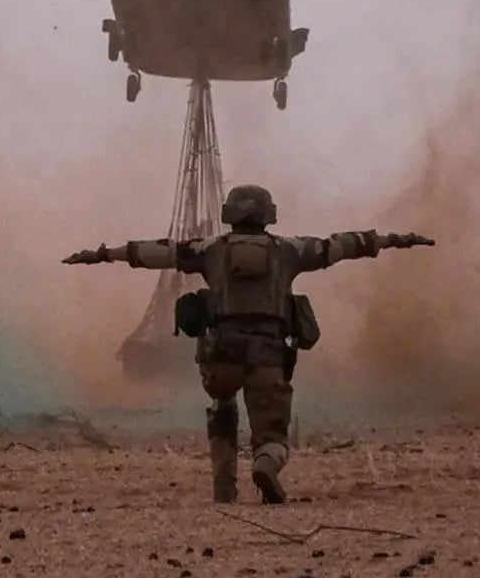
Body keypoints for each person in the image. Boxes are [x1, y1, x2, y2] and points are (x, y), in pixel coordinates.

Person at [64, 183, 433, 503]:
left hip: (219, 356)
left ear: (229, 214)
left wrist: (101, 254)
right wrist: (395, 240)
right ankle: (265, 465)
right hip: (268, 356)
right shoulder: (290, 250)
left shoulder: (208, 249)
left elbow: (156, 252)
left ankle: (224, 490)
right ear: (268, 215)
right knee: (273, 435)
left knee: (222, 406)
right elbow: (342, 245)